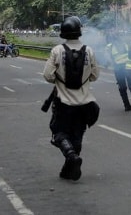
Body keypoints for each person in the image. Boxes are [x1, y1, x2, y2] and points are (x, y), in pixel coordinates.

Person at [42, 16, 99, 181]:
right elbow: (95, 75)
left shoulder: (57, 50)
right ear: (79, 31)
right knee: (77, 134)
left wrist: (60, 81)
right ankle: (70, 167)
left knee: (59, 133)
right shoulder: (89, 50)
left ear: (63, 33)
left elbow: (47, 75)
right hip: (85, 102)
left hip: (64, 103)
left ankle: (71, 156)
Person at [103, 30, 131, 111]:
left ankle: (127, 105)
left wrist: (107, 64)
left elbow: (108, 58)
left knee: (122, 87)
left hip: (119, 68)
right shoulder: (125, 44)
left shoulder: (109, 46)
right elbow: (130, 54)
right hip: (128, 67)